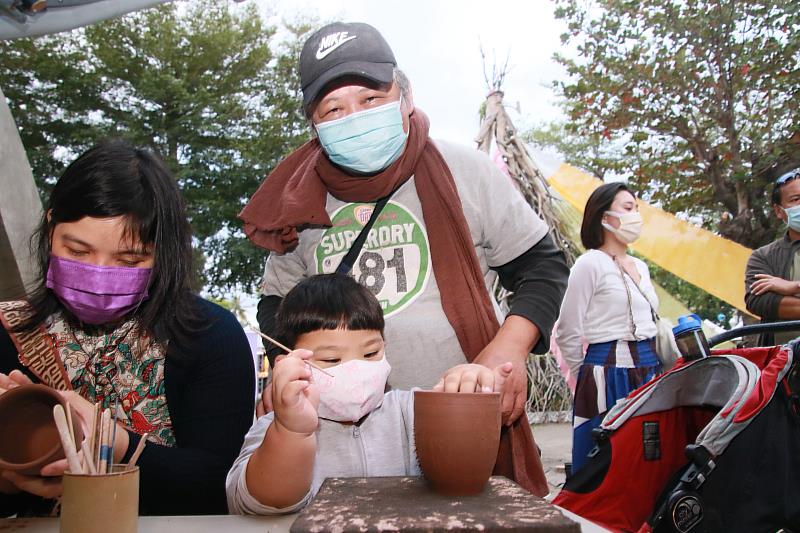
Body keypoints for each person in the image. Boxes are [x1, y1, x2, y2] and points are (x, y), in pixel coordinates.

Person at [238, 21, 568, 496]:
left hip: (463, 422)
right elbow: (276, 304)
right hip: (338, 439)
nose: (355, 116)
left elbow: (543, 268)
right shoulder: (297, 201)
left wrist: (508, 350)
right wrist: (288, 374)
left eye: (371, 98)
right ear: (314, 124)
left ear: (405, 96)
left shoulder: (465, 170)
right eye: (334, 108)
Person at [0, 141, 255, 516]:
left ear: (162, 253)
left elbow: (221, 485)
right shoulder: (11, 333)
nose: (98, 275)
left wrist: (115, 442)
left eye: (129, 259)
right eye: (78, 252)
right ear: (51, 229)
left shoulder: (211, 335)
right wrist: (11, 471)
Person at [226, 273, 512, 514]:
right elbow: (258, 503)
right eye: (331, 359)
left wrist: (469, 392)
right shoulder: (273, 427)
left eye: (371, 353)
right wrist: (291, 431)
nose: (357, 369)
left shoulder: (413, 410)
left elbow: (463, 478)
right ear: (288, 364)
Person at [555, 182, 661, 474]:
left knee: (648, 461)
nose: (635, 215)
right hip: (606, 374)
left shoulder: (641, 267)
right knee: (604, 462)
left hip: (649, 373)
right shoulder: (589, 264)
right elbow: (566, 330)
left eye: (636, 209)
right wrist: (586, 378)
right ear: (604, 217)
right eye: (627, 208)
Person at [745, 168, 800, 346]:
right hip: (785, 359)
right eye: (796, 199)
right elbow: (759, 301)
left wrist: (793, 287)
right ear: (779, 210)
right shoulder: (763, 256)